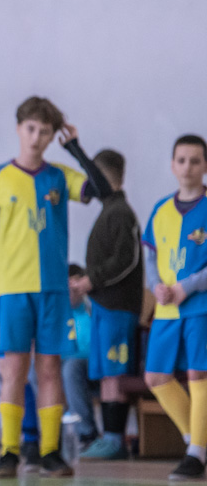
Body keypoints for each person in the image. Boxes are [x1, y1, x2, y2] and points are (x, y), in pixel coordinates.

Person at [0, 98, 110, 478]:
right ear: (19, 129)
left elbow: (103, 190)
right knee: (13, 369)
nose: (36, 137)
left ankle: (50, 451)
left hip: (52, 290)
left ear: (52, 136)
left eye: (44, 131)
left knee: (50, 368)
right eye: (31, 129)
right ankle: (9, 451)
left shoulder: (60, 176)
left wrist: (75, 148)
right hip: (11, 290)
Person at [68, 148, 143, 460]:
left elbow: (126, 259)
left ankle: (115, 439)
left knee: (115, 373)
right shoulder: (109, 211)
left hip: (118, 308)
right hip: (103, 306)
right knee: (106, 373)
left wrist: (91, 280)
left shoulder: (121, 213)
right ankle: (108, 437)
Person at [142, 134, 207, 481]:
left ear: (205, 165)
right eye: (182, 160)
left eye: (195, 160)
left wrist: (187, 286)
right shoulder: (160, 209)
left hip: (200, 306)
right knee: (155, 376)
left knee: (199, 374)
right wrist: (156, 286)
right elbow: (151, 256)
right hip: (167, 309)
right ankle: (196, 438)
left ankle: (195, 454)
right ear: (172, 165)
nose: (188, 167)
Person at [63, 264, 97, 448]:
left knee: (72, 367)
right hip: (62, 362)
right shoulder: (57, 313)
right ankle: (45, 435)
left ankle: (87, 433)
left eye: (74, 287)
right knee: (34, 371)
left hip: (91, 363)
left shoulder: (92, 306)